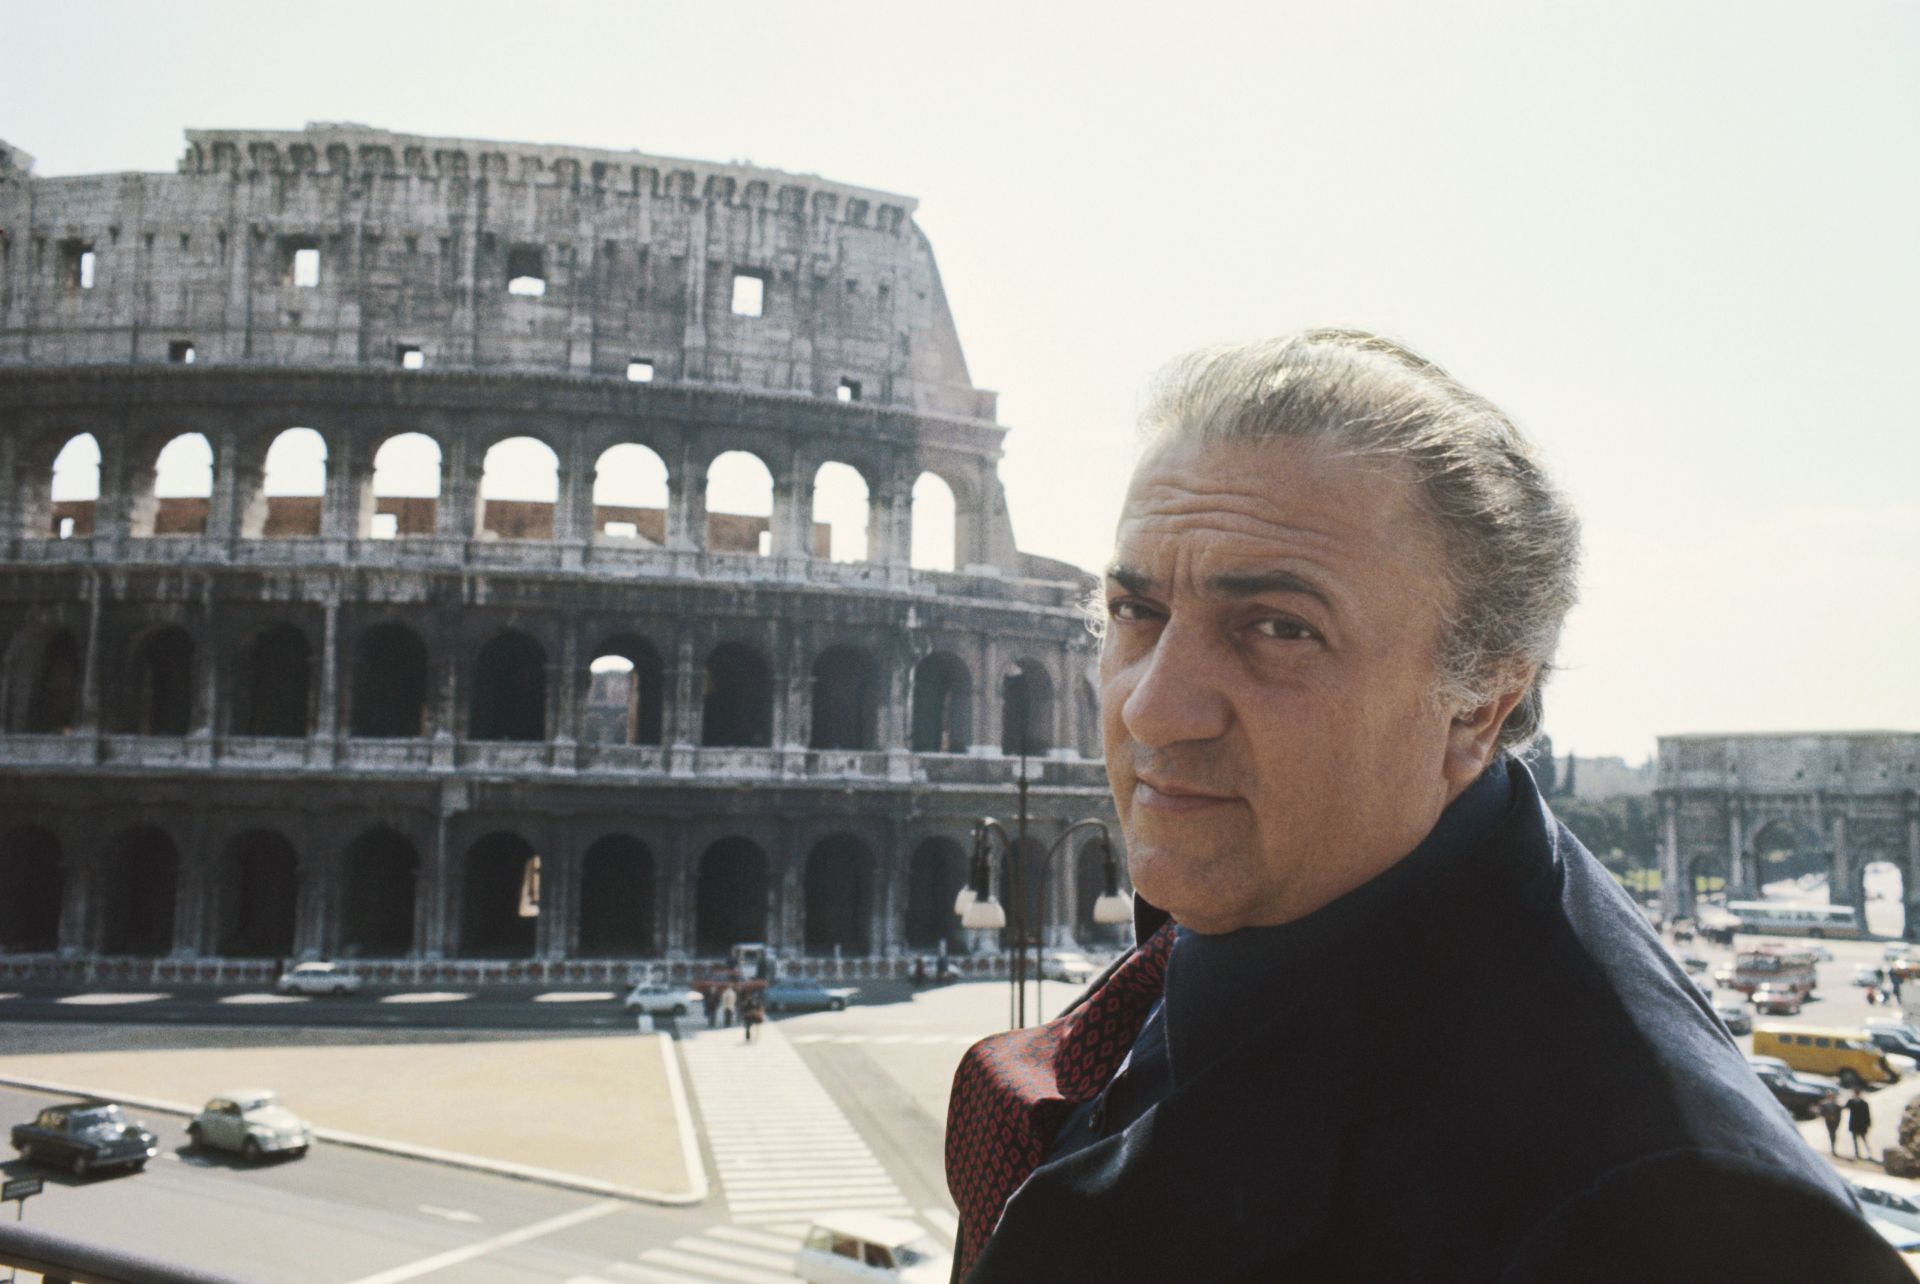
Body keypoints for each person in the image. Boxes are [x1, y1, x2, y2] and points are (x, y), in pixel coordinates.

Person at [943, 330, 1906, 1282]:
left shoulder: (1673, 1218)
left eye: (1279, 628)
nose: (1151, 705)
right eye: (1134, 612)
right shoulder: (1294, 893)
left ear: (1476, 706)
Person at [1849, 1089, 1874, 1161]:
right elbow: (1846, 1107)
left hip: (1862, 1124)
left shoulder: (1864, 1103)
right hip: (1854, 1123)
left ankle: (1869, 1154)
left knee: (1864, 1139)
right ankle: (1857, 1153)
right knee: (1854, 1140)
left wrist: (1868, 1124)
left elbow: (1867, 1114)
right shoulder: (1851, 1102)